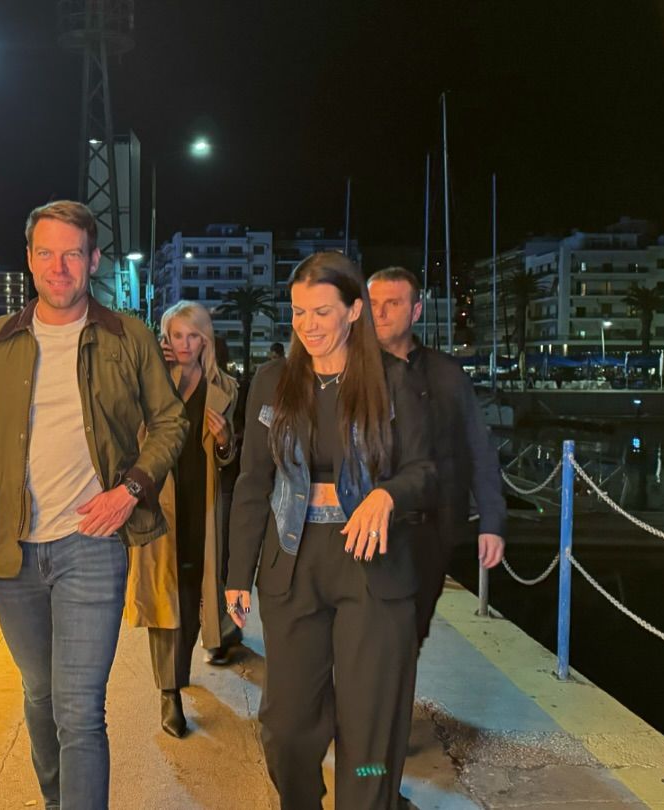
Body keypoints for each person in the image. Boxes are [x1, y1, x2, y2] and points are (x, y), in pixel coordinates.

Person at [0, 200, 188, 810]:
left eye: (72, 253)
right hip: (12, 549)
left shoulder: (127, 336)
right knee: (41, 694)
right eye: (46, 253)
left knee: (80, 709)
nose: (59, 267)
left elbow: (171, 421)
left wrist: (131, 488)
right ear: (29, 259)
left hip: (91, 547)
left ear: (93, 259)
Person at [226, 252, 436, 809]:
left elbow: (425, 470)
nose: (308, 325)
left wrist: (388, 495)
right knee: (286, 729)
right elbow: (252, 481)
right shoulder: (272, 381)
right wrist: (236, 573)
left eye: (322, 311)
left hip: (373, 566)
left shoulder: (393, 381)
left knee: (370, 731)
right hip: (292, 564)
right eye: (298, 312)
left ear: (354, 311)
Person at [368, 267, 505, 647]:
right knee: (375, 638)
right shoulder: (354, 373)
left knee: (414, 632)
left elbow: (479, 447)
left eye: (392, 303)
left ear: (415, 311)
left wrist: (492, 522)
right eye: (373, 304)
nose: (380, 313)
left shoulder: (448, 374)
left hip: (435, 529)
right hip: (374, 525)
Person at [125, 301, 240, 738]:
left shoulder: (225, 388)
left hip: (202, 504)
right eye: (177, 335)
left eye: (194, 335)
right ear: (166, 338)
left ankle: (180, 669)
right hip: (161, 503)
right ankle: (168, 693)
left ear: (206, 339)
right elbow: (131, 432)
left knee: (192, 599)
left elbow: (229, 458)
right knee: (163, 598)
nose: (186, 344)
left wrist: (225, 440)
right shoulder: (150, 383)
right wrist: (151, 369)